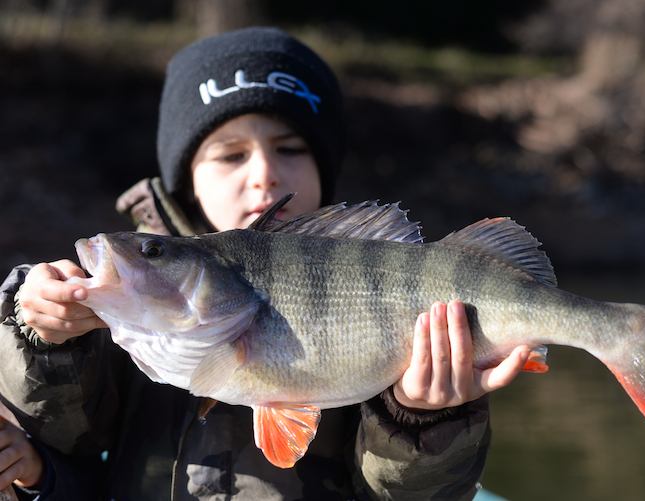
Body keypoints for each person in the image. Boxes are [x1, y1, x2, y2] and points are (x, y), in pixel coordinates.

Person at [0, 27, 530, 500]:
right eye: (231, 154)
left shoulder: (371, 267)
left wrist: (423, 416)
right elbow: (66, 441)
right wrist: (44, 336)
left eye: (291, 147)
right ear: (187, 177)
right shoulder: (135, 303)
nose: (265, 175)